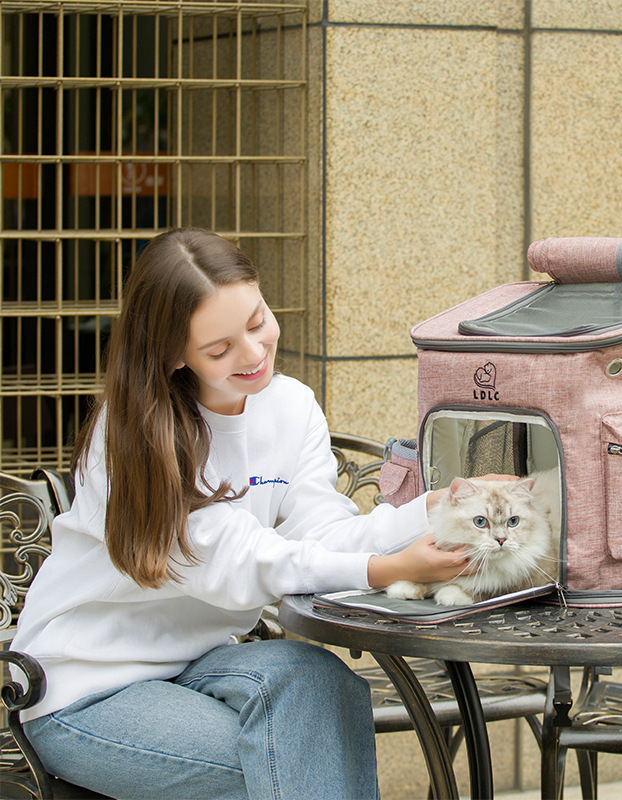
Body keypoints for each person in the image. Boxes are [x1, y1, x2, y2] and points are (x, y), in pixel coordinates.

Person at [11, 227, 476, 800]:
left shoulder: (291, 406)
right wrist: (383, 570)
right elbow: (236, 561)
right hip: (85, 685)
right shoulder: (133, 434)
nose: (254, 355)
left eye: (257, 322)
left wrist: (435, 509)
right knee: (295, 761)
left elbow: (324, 533)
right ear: (173, 354)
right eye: (219, 349)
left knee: (318, 686)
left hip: (202, 663)